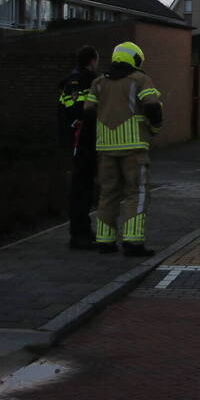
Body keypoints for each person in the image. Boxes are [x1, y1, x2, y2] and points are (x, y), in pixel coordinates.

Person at [83, 41, 164, 257]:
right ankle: (133, 241)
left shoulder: (99, 83)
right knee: (136, 193)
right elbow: (152, 106)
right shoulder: (140, 79)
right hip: (133, 148)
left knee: (107, 194)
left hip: (106, 148)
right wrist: (154, 128)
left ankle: (105, 241)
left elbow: (89, 111)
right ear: (135, 60)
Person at [58, 45, 99, 250]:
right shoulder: (86, 81)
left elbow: (63, 111)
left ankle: (83, 229)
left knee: (83, 187)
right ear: (92, 60)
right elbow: (87, 112)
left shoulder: (69, 81)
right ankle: (79, 234)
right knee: (82, 189)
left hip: (75, 140)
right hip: (84, 141)